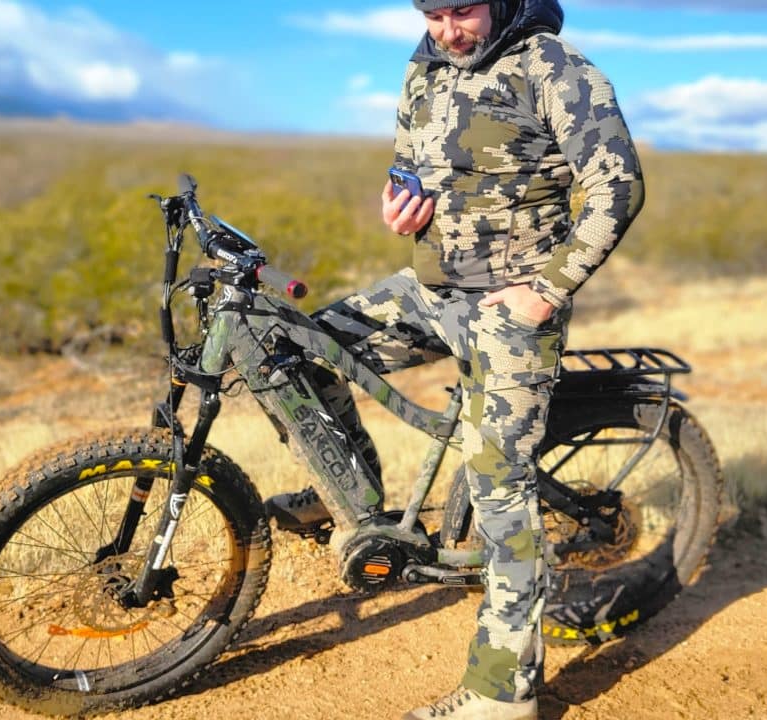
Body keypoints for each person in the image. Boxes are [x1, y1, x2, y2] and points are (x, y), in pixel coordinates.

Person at [266, 0, 644, 717]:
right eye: (432, 13)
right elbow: (411, 163)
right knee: (304, 350)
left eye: (462, 10)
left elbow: (618, 187)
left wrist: (544, 292)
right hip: (431, 290)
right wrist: (398, 201)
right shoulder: (426, 64)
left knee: (501, 489)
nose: (447, 30)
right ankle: (351, 495)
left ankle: (505, 694)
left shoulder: (553, 68)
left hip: (512, 308)